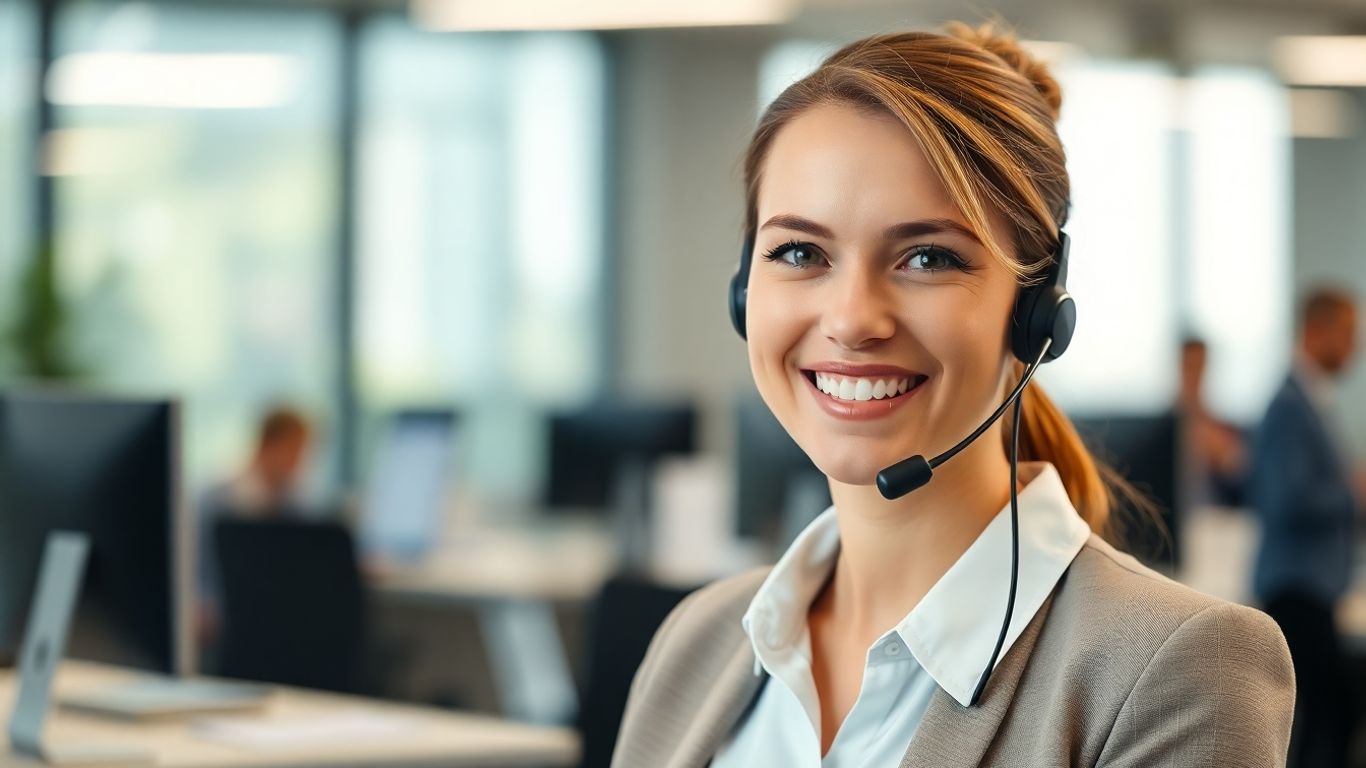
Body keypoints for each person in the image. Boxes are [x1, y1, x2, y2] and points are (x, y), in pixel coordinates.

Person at [613, 23, 1294, 767]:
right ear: (747, 291)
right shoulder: (699, 642)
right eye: (800, 252)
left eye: (928, 257)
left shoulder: (1172, 668)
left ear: (1035, 311)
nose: (851, 320)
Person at [1251, 288, 1361, 768]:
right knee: (1322, 720)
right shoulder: (1290, 406)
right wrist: (1352, 492)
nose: (1354, 347)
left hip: (1312, 588)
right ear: (1317, 331)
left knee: (1328, 717)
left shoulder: (1310, 401)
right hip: (1297, 588)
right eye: (1347, 334)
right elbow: (1286, 498)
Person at [195, 406, 315, 652]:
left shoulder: (291, 501)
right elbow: (198, 568)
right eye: (296, 450)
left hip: (273, 613)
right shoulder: (217, 498)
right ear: (268, 444)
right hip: (220, 614)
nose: (300, 462)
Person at [1176, 336, 1248, 510]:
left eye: (1199, 367)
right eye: (1189, 367)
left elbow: (1245, 486)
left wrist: (1228, 460)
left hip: (1213, 522)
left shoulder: (1223, 431)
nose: (1194, 376)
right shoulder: (1162, 433)